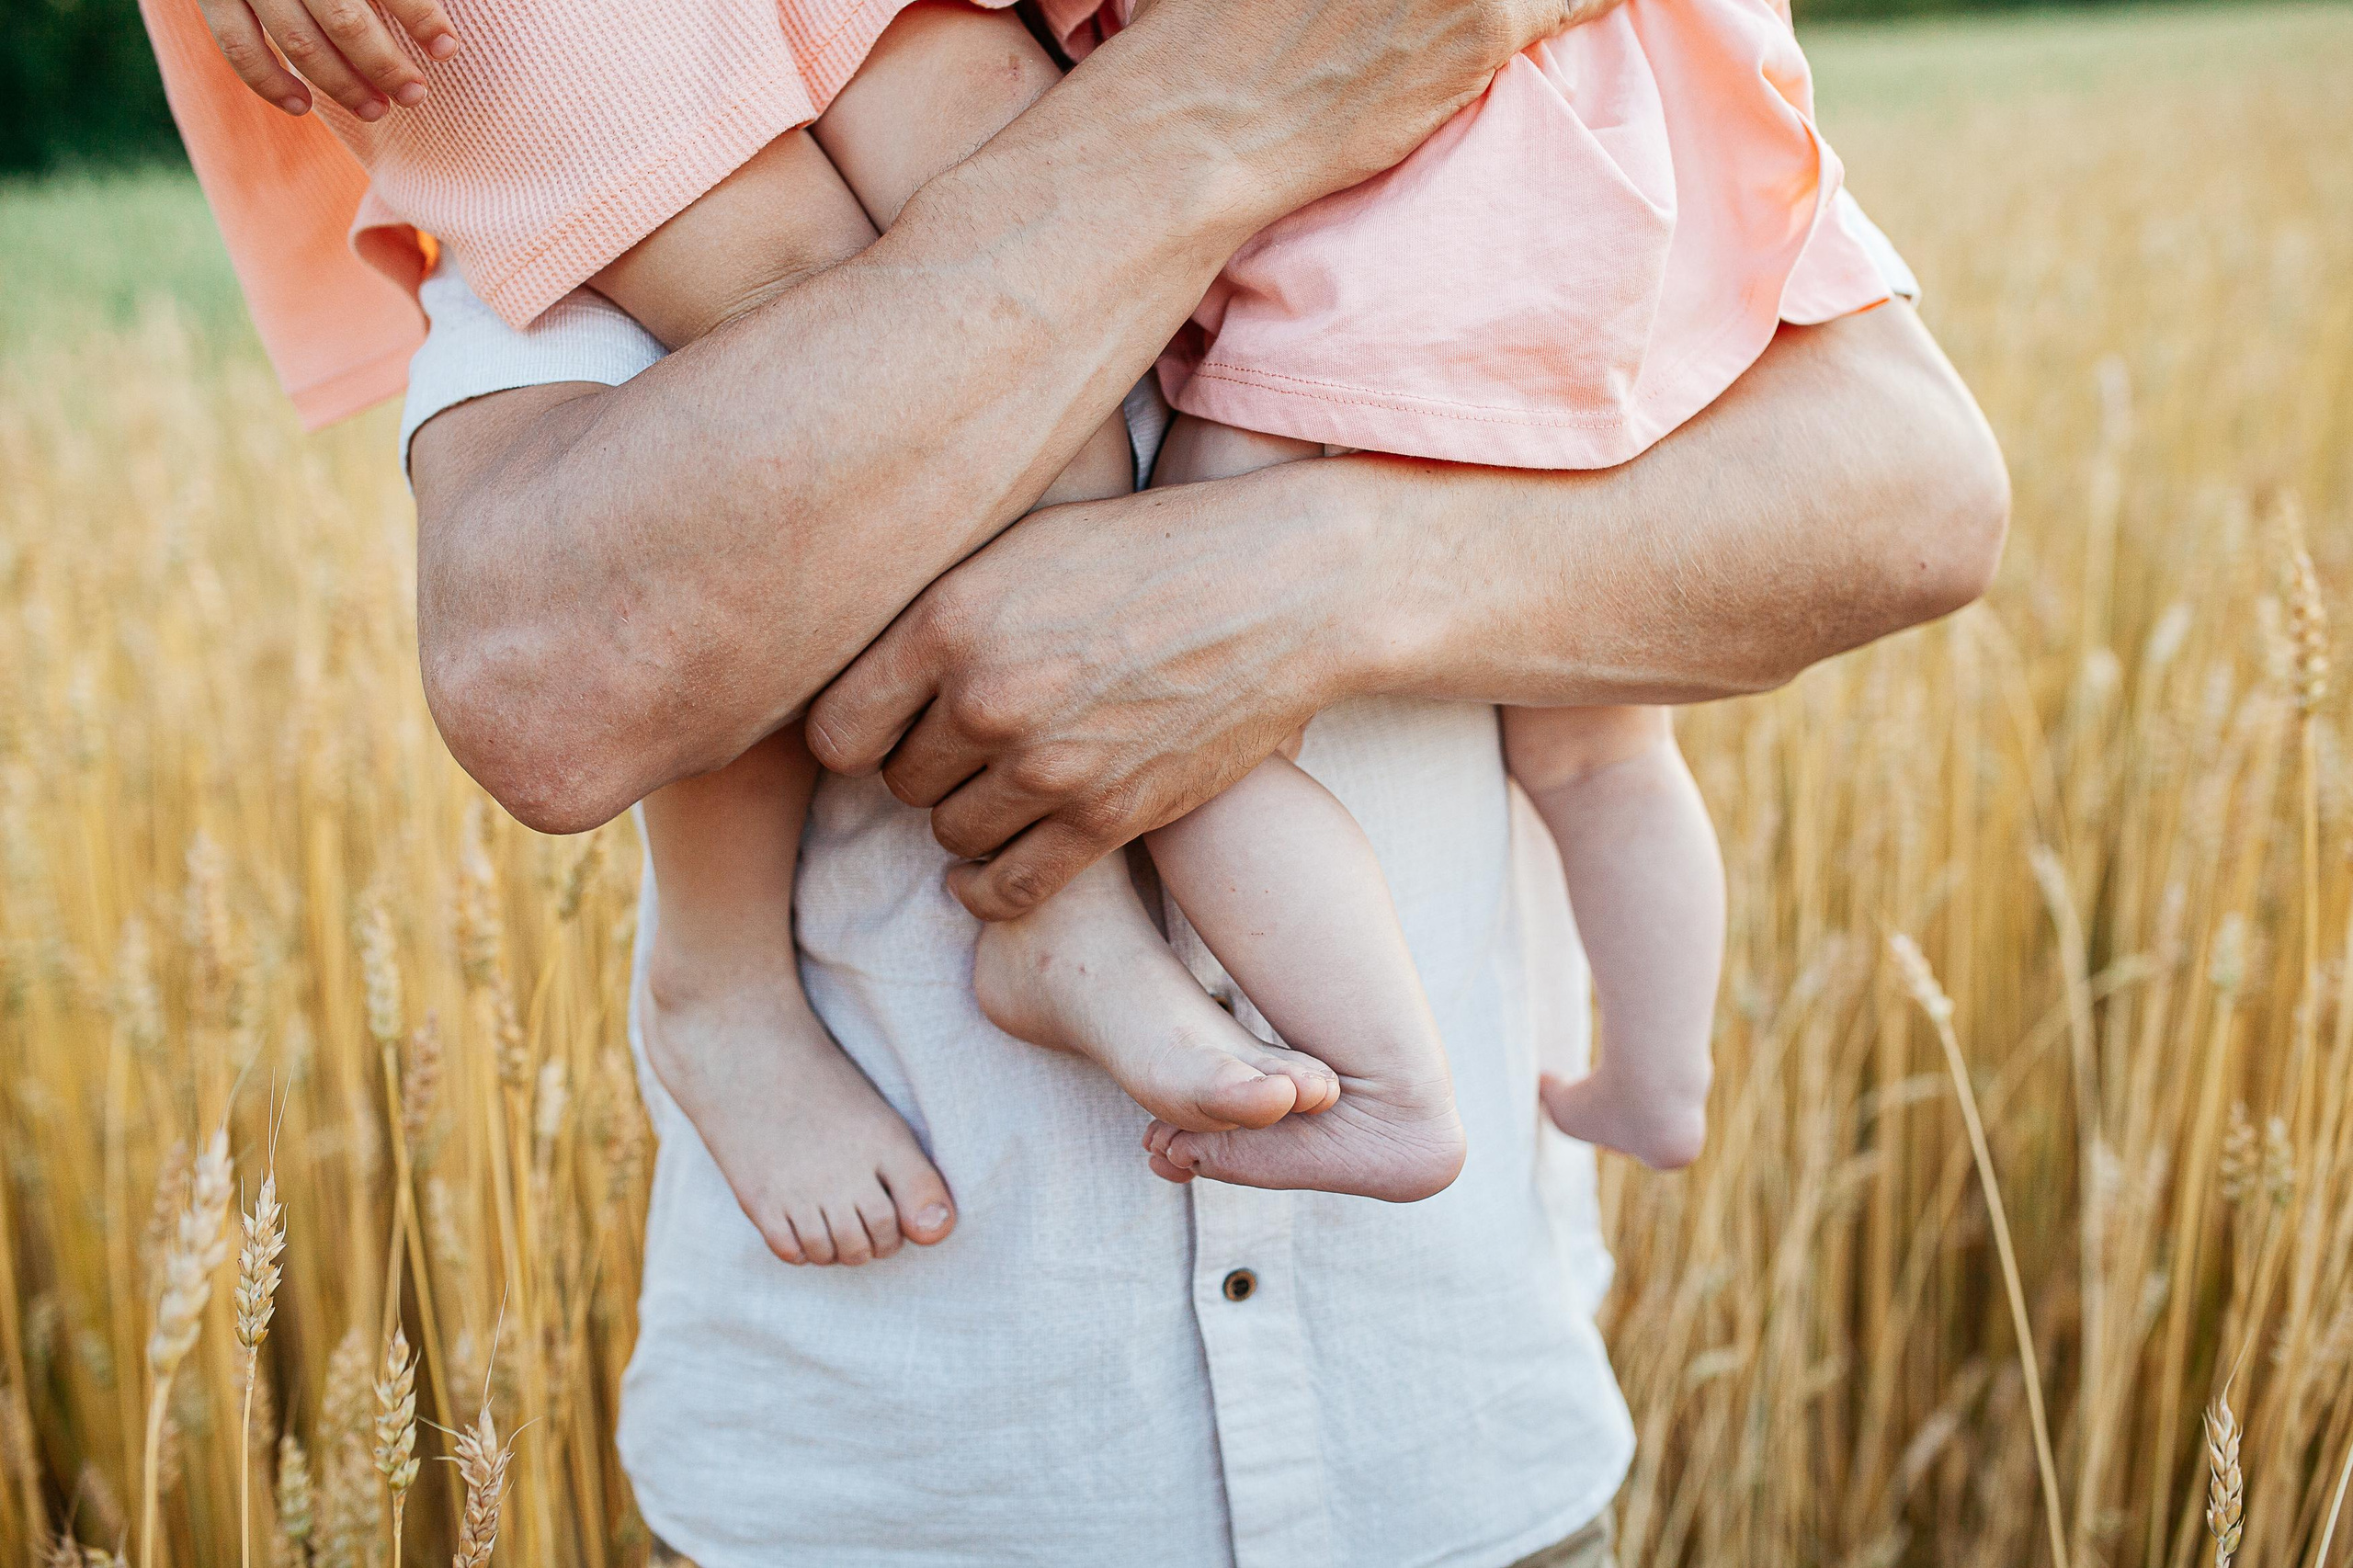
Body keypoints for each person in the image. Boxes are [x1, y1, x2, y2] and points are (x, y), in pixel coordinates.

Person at [148, 0, 2006, 1552]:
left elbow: (1908, 488)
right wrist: (1216, 127)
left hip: (1451, 1442)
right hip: (907, 1481)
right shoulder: (690, 75)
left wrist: (1290, 592)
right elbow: (546, 678)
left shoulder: (1501, 92)